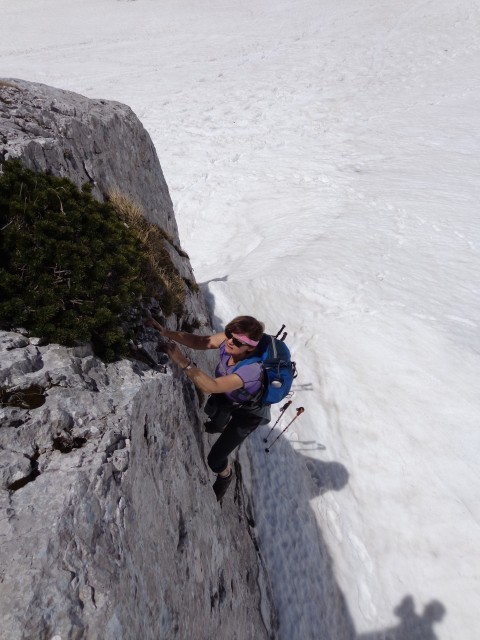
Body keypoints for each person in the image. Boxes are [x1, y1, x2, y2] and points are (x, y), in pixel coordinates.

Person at [146, 315, 270, 501]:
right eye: (229, 334)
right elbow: (200, 341)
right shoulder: (231, 340)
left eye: (236, 341)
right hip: (228, 396)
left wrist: (182, 361)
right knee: (215, 415)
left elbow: (211, 386)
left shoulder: (252, 369)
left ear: (250, 347)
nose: (229, 341)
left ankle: (225, 476)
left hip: (248, 414)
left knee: (215, 459)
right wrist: (166, 332)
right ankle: (219, 423)